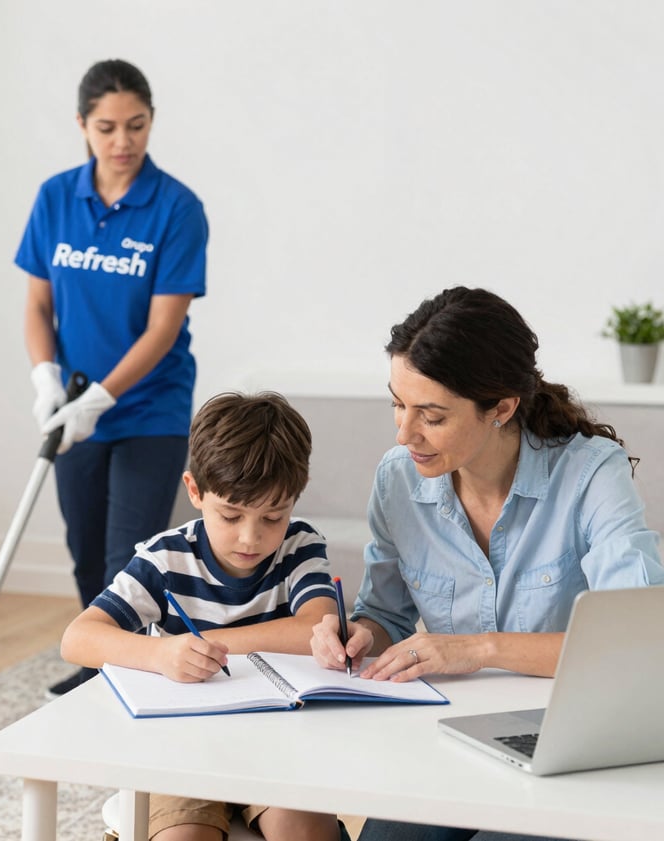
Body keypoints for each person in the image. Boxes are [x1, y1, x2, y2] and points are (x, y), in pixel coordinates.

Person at [310, 286, 664, 841]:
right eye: (398, 405)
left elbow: (639, 644)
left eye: (431, 416)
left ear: (500, 408)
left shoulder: (591, 475)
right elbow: (386, 616)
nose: (405, 434)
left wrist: (478, 648)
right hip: (450, 736)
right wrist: (354, 635)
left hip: (572, 750)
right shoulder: (398, 478)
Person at [61, 391, 349, 841]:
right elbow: (78, 639)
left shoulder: (299, 547)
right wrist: (160, 654)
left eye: (273, 516)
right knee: (184, 835)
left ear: (295, 498)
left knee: (307, 832)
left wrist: (219, 644)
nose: (251, 538)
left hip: (277, 743)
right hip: (181, 745)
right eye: (231, 515)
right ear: (195, 490)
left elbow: (315, 626)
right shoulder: (166, 558)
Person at [14, 59, 209, 696]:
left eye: (136, 125)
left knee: (128, 550)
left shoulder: (177, 209)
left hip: (150, 407)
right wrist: (49, 380)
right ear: (82, 125)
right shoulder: (54, 198)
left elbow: (161, 329)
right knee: (83, 540)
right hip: (72, 406)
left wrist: (103, 395)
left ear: (151, 122)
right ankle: (101, 664)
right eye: (106, 127)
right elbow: (38, 306)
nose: (122, 141)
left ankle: (127, 669)